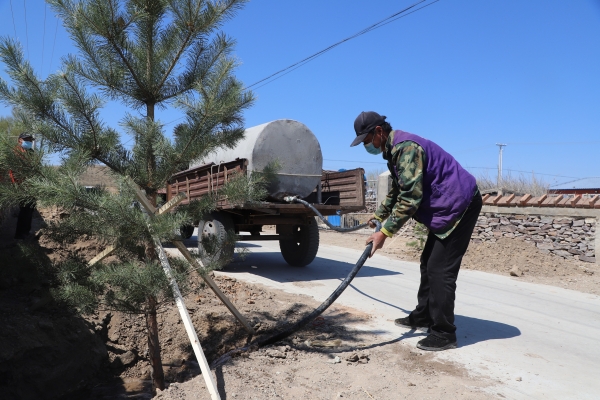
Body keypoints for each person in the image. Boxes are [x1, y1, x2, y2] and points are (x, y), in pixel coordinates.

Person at [351, 111, 482, 351]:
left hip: (459, 205)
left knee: (440, 269)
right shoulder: (393, 151)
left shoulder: (406, 149)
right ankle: (424, 315)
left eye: (367, 140)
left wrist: (384, 233)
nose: (367, 146)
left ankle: (444, 333)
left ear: (379, 131)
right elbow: (398, 191)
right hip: (446, 207)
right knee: (428, 262)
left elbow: (410, 199)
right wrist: (379, 216)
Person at [10, 132, 36, 240]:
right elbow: (12, 171)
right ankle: (20, 235)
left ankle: (26, 232)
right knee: (25, 210)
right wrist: (16, 185)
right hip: (21, 186)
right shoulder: (15, 152)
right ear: (19, 140)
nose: (29, 142)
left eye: (30, 140)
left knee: (30, 209)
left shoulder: (31, 153)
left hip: (31, 187)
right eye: (27, 140)